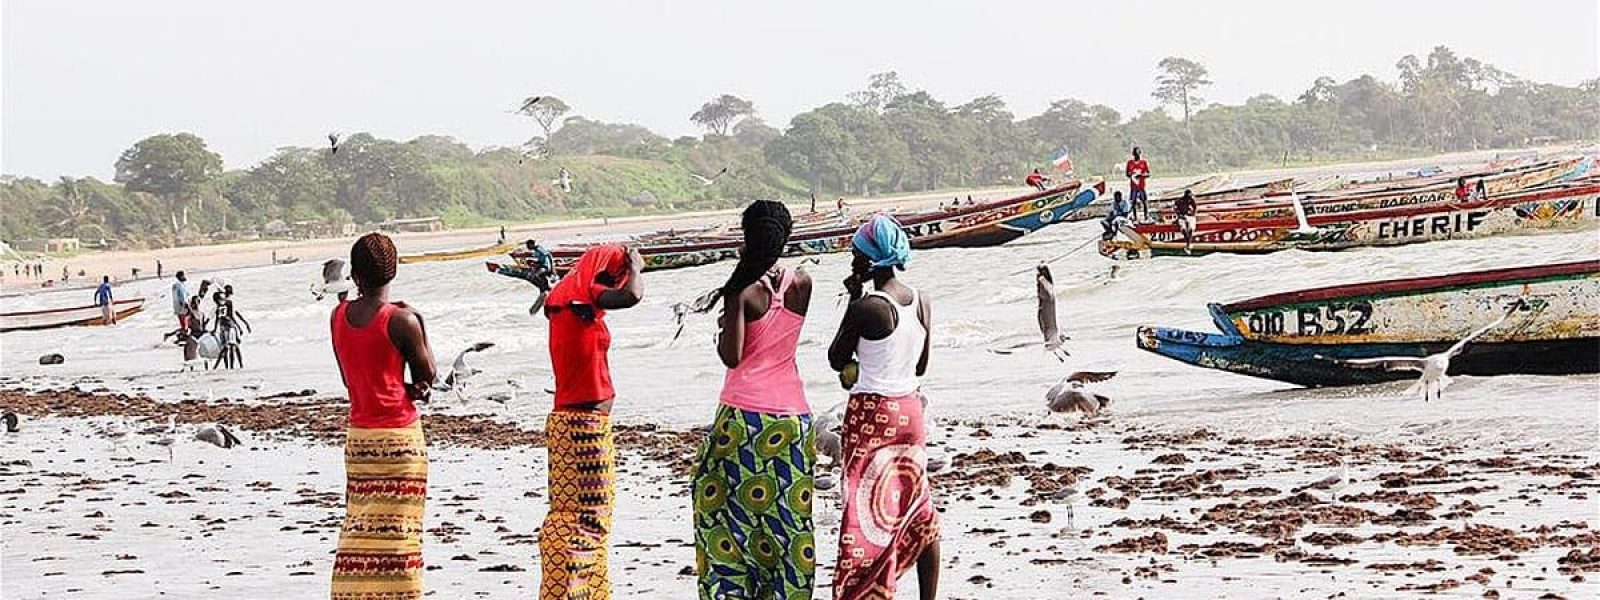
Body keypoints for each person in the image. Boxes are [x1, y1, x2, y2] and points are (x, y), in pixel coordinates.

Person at [693, 201, 816, 599]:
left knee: (720, 512)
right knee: (786, 520)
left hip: (744, 417)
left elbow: (733, 356)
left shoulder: (743, 289)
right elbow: (778, 338)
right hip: (795, 418)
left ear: (747, 238)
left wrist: (725, 324)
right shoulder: (802, 283)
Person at [827, 214, 940, 600]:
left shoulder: (868, 308)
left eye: (856, 253)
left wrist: (853, 299)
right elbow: (922, 364)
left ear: (869, 259)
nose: (853, 260)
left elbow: (835, 357)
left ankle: (867, 592)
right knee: (917, 504)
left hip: (873, 414)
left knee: (864, 509)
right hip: (911, 411)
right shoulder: (921, 300)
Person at [329, 232, 438, 600]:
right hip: (399, 439)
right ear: (393, 273)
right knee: (400, 535)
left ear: (356, 274)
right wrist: (420, 319)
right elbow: (428, 379)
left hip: (359, 439)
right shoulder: (403, 321)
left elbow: (350, 378)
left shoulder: (338, 316)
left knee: (359, 527)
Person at [539, 243, 643, 600]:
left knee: (569, 512)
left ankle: (578, 589)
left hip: (567, 421)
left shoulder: (566, 299)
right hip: (586, 426)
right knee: (590, 520)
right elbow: (631, 297)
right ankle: (577, 591)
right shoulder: (588, 295)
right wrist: (636, 268)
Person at [1125, 147, 1151, 221]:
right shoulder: (1130, 163)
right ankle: (1135, 217)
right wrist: (1132, 175)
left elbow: (1148, 174)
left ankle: (1146, 216)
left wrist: (1141, 175)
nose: (1137, 155)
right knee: (1133, 202)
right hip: (1133, 186)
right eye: (1135, 153)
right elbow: (1127, 174)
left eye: (1138, 153)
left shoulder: (1143, 163)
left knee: (1144, 201)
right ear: (1133, 154)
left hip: (1141, 186)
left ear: (1140, 153)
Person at [1175, 189, 1199, 254]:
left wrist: (1193, 213)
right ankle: (1188, 244)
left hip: (1189, 216)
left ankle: (1188, 245)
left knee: (1191, 229)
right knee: (1183, 229)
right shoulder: (1178, 201)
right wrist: (1180, 216)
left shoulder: (1191, 200)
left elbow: (1195, 207)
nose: (1190, 197)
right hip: (1181, 217)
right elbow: (1176, 210)